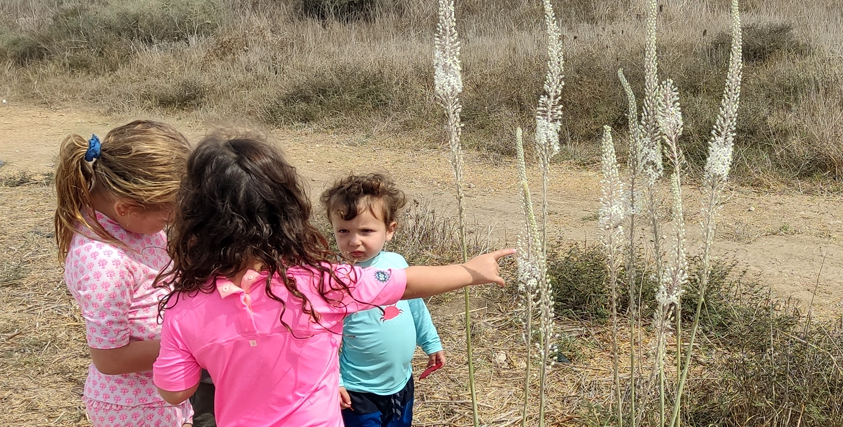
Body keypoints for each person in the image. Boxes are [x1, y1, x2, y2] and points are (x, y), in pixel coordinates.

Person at [152, 134, 511, 427]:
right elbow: (406, 283)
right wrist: (470, 270)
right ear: (289, 212)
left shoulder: (182, 306)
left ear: (193, 220)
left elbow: (174, 391)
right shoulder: (322, 283)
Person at [54, 120, 193, 427]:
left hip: (159, 392)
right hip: (135, 408)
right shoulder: (103, 261)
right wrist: (195, 342)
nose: (170, 224)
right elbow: (110, 359)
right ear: (125, 207)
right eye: (166, 218)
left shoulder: (132, 226)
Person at [321, 174, 444, 427]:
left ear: (390, 230)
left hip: (401, 382)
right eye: (343, 231)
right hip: (357, 390)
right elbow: (324, 340)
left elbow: (416, 308)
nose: (354, 241)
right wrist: (336, 381)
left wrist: (431, 342)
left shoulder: (397, 264)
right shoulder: (336, 280)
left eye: (366, 231)